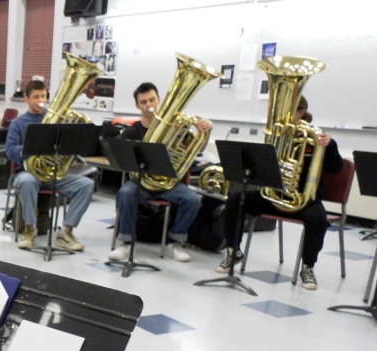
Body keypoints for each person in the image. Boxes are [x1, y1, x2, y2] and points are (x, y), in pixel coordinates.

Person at [214, 96, 342, 290]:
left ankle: (308, 267)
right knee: (234, 200)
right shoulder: (277, 134)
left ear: (300, 112)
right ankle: (233, 252)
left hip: (303, 199)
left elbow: (335, 168)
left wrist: (330, 146)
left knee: (318, 220)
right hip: (272, 197)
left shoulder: (316, 137)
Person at [108, 82, 206, 263]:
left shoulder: (174, 128)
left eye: (152, 100)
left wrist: (204, 132)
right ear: (137, 106)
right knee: (125, 192)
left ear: (159, 100)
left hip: (169, 183)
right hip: (141, 183)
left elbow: (196, 147)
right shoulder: (132, 131)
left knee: (193, 200)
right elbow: (118, 152)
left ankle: (174, 243)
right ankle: (126, 244)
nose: (149, 105)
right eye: (144, 102)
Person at [4, 79, 95, 251]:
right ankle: (30, 229)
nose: (40, 100)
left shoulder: (58, 120)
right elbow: (10, 152)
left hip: (54, 174)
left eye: (43, 96)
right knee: (27, 182)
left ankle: (66, 231)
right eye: (36, 97)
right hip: (28, 172)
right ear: (26, 99)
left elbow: (70, 150)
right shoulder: (18, 123)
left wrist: (80, 135)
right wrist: (33, 147)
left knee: (86, 185)